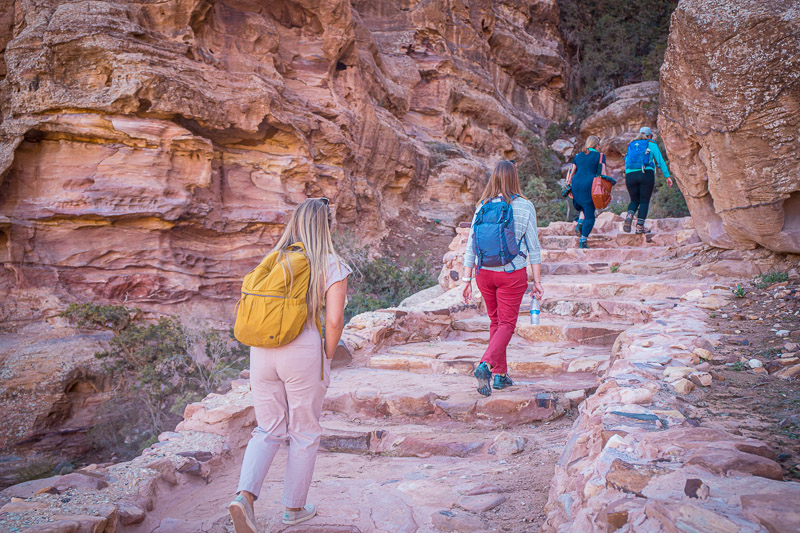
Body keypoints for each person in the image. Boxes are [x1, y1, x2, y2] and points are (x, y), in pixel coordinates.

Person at [228, 198, 351, 532]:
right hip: (303, 348)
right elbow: (335, 319)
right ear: (327, 226)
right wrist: (326, 356)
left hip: (261, 350)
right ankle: (294, 509)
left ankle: (244, 498)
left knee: (267, 427)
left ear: (296, 223)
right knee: (304, 430)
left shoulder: (274, 259)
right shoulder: (330, 263)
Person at [461, 160, 544, 396]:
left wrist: (466, 281)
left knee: (496, 323)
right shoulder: (525, 206)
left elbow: (470, 247)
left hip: (483, 274)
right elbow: (533, 248)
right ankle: (486, 365)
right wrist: (537, 282)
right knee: (507, 324)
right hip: (511, 274)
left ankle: (500, 375)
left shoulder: (482, 206)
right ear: (514, 178)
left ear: (494, 178)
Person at [623, 126, 673, 234]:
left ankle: (629, 215)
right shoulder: (651, 144)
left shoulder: (632, 144)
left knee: (634, 200)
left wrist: (628, 175)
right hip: (646, 173)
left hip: (630, 175)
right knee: (644, 201)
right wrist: (667, 176)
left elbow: (626, 161)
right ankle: (640, 227)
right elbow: (660, 161)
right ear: (649, 135)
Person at [564, 135, 608, 248]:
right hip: (590, 185)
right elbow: (602, 173)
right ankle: (583, 241)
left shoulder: (578, 156)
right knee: (590, 216)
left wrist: (568, 185)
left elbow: (571, 171)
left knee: (583, 207)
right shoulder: (600, 156)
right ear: (597, 145)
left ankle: (580, 223)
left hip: (576, 185)